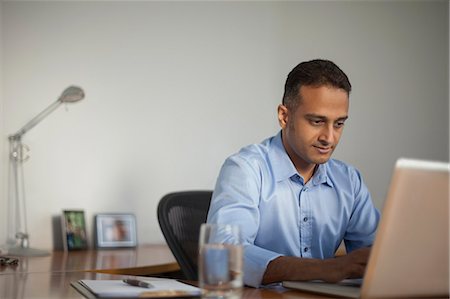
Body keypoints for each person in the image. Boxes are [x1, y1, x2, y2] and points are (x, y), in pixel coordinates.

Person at [207, 59, 380, 288]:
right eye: (317, 121)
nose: (329, 137)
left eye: (338, 124)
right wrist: (328, 269)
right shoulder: (245, 169)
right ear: (284, 116)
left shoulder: (349, 181)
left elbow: (375, 258)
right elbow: (224, 255)